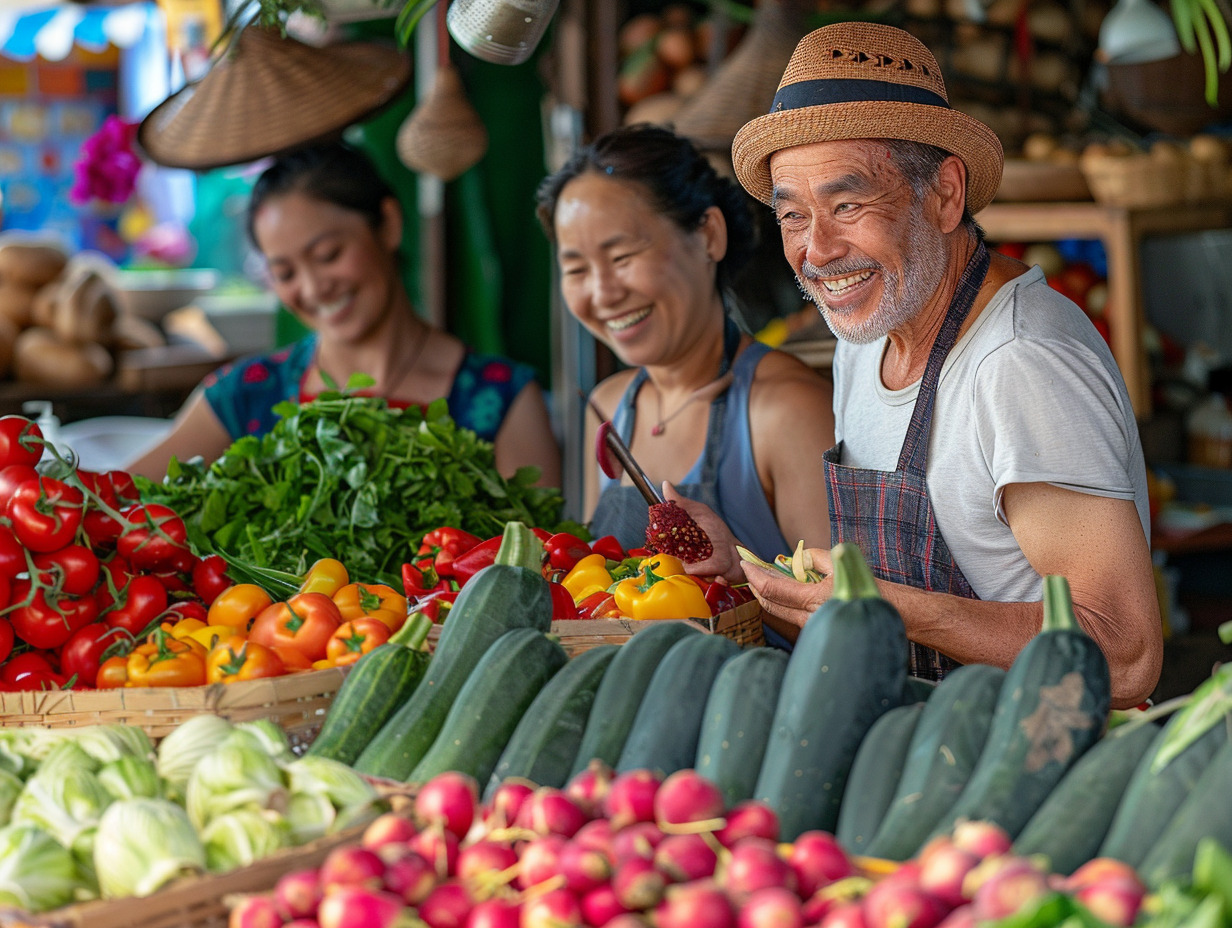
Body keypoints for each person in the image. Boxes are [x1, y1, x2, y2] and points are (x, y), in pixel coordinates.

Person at [674, 21, 1161, 708]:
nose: (817, 250)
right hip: (919, 749)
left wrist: (898, 609)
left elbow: (1124, 653)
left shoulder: (1020, 365)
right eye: (793, 217)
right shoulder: (865, 338)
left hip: (1042, 771)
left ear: (944, 195)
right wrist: (744, 573)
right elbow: (867, 606)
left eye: (848, 204)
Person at [128, 143, 561, 486]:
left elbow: (534, 571)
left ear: (388, 224)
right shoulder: (247, 396)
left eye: (328, 254)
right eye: (285, 272)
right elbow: (117, 500)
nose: (314, 288)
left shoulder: (502, 401)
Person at [535, 124, 834, 565]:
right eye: (576, 269)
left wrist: (738, 575)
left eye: (622, 258)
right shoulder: (609, 406)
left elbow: (842, 618)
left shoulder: (788, 410)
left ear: (708, 234)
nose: (602, 294)